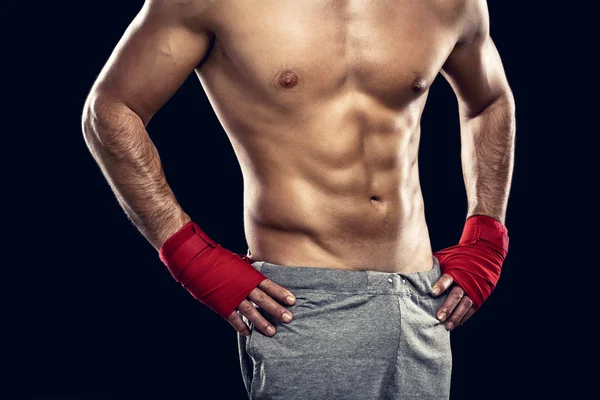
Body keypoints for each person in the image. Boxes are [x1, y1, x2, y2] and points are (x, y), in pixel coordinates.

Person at [82, 0, 515, 398]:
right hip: (298, 304)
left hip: (421, 301)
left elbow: (490, 101)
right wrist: (188, 254)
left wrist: (486, 237)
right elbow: (110, 110)